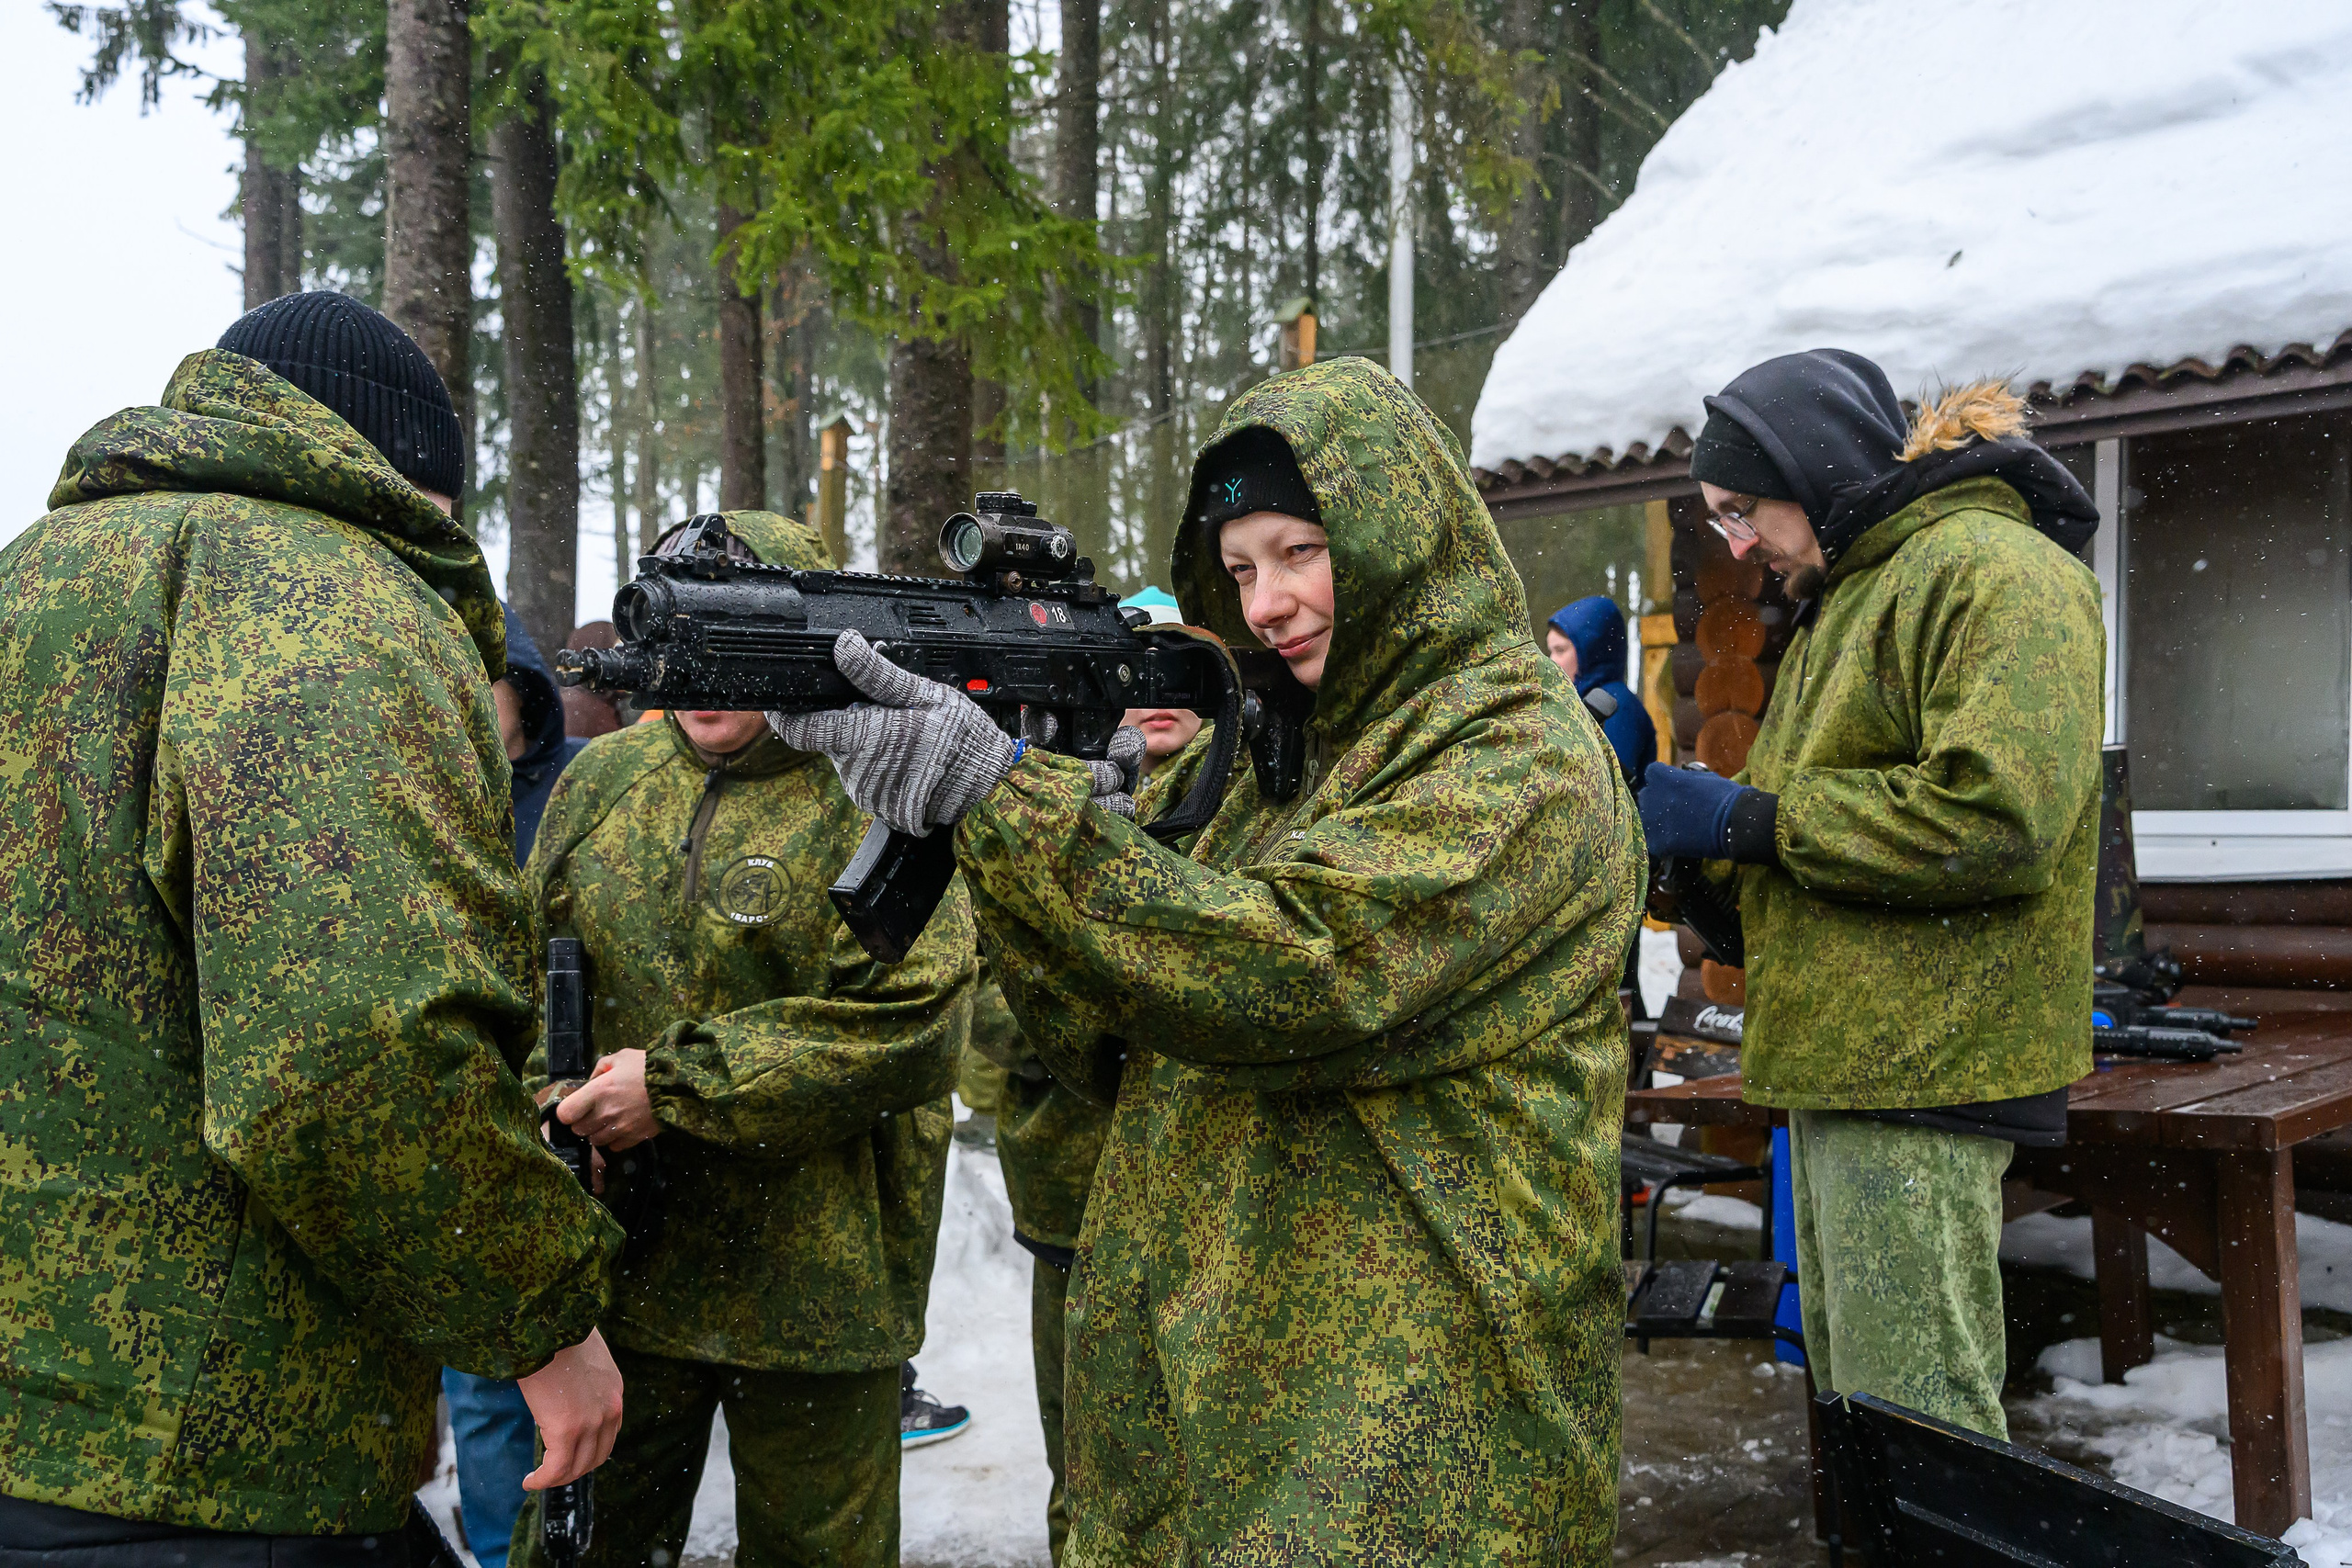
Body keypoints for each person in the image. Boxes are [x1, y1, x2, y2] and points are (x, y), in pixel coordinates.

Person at [776, 358, 1645, 1564]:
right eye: (1240, 570)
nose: (1270, 599)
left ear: (1396, 531)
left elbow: (1296, 974)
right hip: (1217, 1423)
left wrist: (1017, 809)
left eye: (1300, 550)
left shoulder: (1516, 753)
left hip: (1412, 1450)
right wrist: (1034, 816)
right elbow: (1101, 1036)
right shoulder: (1265, 753)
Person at [0, 290, 624, 1562]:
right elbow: (348, 1055)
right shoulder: (329, 596)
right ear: (415, 481)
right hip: (207, 1440)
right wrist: (540, 1320)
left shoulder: (33, 574)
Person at [1637, 349, 2102, 1439]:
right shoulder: (1850, 596)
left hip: (1926, 1063)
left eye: (1742, 509)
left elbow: (1997, 820)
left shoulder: (1996, 572)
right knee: (1863, 1425)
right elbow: (1817, 847)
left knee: (1920, 1423)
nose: (1738, 543)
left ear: (1815, 466)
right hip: (1852, 1065)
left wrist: (1752, 821)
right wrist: (1694, 864)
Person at [512, 512, 978, 1568]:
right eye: (682, 639)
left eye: (739, 643)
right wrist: (551, 1098)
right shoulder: (601, 783)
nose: (704, 676)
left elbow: (912, 1025)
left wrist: (674, 1090)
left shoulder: (883, 781)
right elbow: (516, 988)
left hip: (822, 1304)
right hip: (622, 1287)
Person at [970, 699, 1203, 1565]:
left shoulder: (1247, 796)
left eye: (1175, 665)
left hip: (1212, 1222)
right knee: (1085, 1469)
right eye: (1132, 675)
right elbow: (984, 994)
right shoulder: (1051, 803)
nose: (1155, 698)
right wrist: (1113, 1019)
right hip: (1072, 1213)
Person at [442, 602, 596, 1568]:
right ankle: (503, 1552)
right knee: (484, 1373)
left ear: (525, 692)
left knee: (578, 1366)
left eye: (482, 681)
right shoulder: (421, 786)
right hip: (466, 1117)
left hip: (580, 1108)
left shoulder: (585, 784)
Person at [1545, 594, 1655, 787]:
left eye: (1560, 651)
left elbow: (1605, 787)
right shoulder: (1579, 701)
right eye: (1551, 651)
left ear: (1590, 652)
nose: (1552, 661)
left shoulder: (1614, 706)